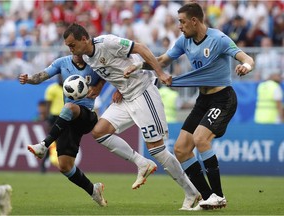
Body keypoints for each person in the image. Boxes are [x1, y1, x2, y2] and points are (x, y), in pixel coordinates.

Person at [126, 2, 255, 210]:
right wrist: (140, 65)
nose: (179, 26)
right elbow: (162, 61)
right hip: (202, 101)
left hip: (223, 98)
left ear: (194, 21)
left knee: (200, 139)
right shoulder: (184, 41)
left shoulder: (219, 39)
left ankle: (219, 196)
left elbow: (245, 57)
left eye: (182, 22)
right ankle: (207, 197)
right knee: (181, 149)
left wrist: (246, 65)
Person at [61, 23, 200, 210]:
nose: (71, 50)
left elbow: (141, 48)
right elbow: (110, 70)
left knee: (157, 149)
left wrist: (160, 72)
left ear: (84, 39)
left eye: (72, 45)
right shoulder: (87, 56)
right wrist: (106, 88)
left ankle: (191, 192)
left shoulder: (107, 42)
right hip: (126, 96)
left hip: (143, 91)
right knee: (99, 132)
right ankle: (141, 163)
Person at [19, 54, 107, 207]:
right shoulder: (62, 63)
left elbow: (110, 73)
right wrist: (29, 79)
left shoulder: (95, 61)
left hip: (87, 116)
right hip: (70, 120)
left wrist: (100, 86)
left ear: (83, 42)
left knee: (69, 107)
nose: (73, 50)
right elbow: (42, 76)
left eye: (74, 45)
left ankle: (43, 145)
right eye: (70, 46)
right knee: (65, 166)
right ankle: (94, 190)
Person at [41, 74, 64, 172]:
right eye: (59, 77)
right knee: (52, 142)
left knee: (59, 143)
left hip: (65, 118)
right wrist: (47, 119)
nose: (61, 78)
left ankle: (61, 165)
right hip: (54, 117)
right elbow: (48, 105)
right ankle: (45, 164)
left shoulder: (69, 88)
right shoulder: (52, 89)